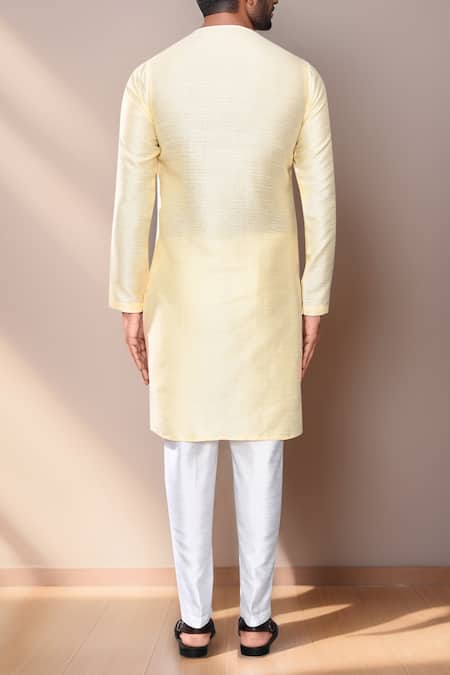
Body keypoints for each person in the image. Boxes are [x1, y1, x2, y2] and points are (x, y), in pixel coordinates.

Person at [108, 0, 336, 659]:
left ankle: (194, 622)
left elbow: (132, 201)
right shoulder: (299, 77)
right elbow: (320, 203)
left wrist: (129, 301)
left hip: (180, 294)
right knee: (261, 449)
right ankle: (257, 621)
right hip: (269, 293)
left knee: (187, 449)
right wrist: (314, 301)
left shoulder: (152, 76)